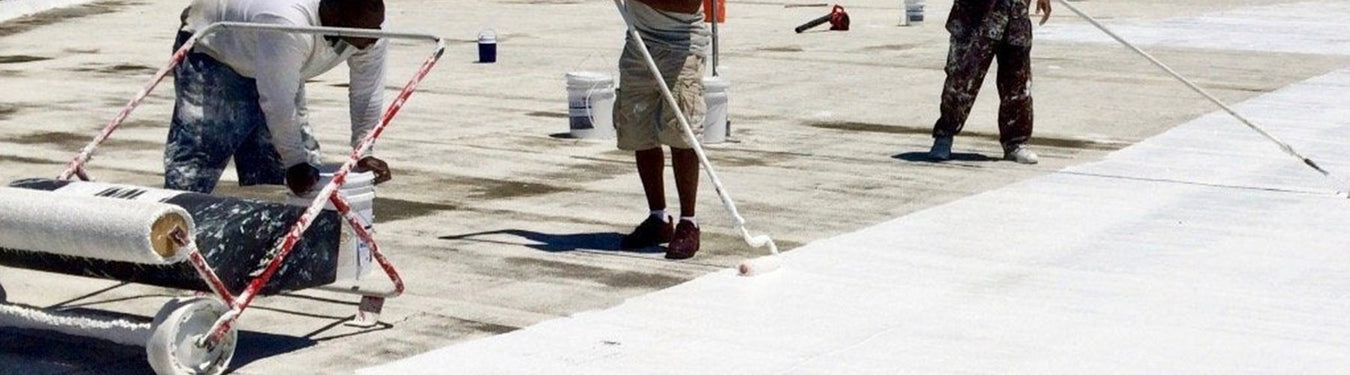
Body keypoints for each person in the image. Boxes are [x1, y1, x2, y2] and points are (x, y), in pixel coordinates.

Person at [166, 0, 392, 195]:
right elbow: (278, 102)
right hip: (218, 50)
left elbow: (366, 93)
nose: (373, 40)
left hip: (276, 58)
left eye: (376, 28)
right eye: (365, 33)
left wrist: (363, 151)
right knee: (202, 153)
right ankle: (173, 226)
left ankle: (269, 237)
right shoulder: (288, 23)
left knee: (282, 167)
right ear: (336, 20)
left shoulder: (370, 28)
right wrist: (294, 161)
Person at [613, 0, 710, 260]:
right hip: (639, 41)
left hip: (680, 47)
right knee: (639, 131)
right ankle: (658, 218)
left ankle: (688, 222)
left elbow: (689, 5)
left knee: (681, 134)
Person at [928, 0, 1052, 164]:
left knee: (1018, 84)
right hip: (975, 17)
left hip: (1015, 16)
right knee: (962, 81)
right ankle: (944, 136)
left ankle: (1015, 143)